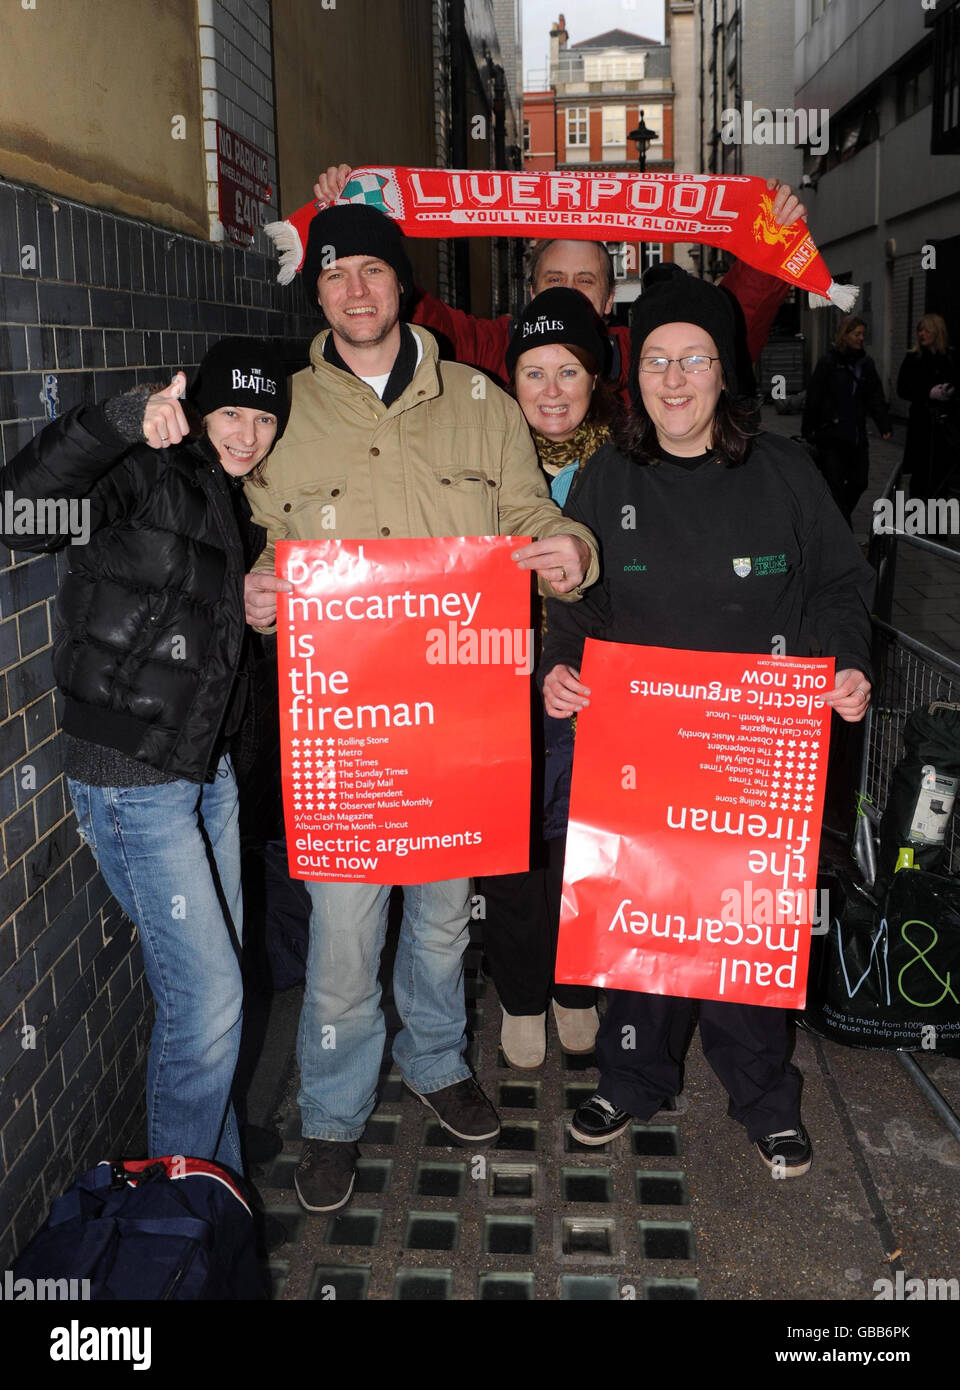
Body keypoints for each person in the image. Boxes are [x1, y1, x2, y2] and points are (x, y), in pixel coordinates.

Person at [242, 204, 600, 1215]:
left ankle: (438, 1059)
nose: (354, 290)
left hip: (458, 729)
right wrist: (257, 592)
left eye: (372, 271)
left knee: (443, 923)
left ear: (404, 285)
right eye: (334, 274)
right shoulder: (286, 409)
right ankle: (332, 1115)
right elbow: (266, 535)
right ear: (315, 291)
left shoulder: (483, 404)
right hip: (348, 735)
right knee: (346, 939)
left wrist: (569, 550)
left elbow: (532, 514)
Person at [540, 264, 875, 1177]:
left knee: (743, 932)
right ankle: (633, 1079)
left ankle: (764, 1098)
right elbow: (573, 602)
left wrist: (845, 665)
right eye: (656, 361)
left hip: (752, 747)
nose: (675, 380)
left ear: (725, 370)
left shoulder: (785, 473)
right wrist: (557, 672)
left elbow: (844, 588)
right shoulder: (608, 476)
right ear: (635, 377)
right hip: (637, 747)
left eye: (694, 360)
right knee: (642, 929)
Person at [0, 338, 290, 1172]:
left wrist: (247, 607)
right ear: (196, 404)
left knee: (214, 993)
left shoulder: (222, 493)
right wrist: (117, 421)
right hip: (135, 781)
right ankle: (180, 1206)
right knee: (209, 1001)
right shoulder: (147, 464)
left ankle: (215, 1170)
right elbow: (20, 516)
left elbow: (180, 608)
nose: (247, 432)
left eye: (265, 417)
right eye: (232, 410)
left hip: (206, 772)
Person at [313, 165, 809, 398]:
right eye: (555, 279)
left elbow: (727, 325)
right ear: (531, 293)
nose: (569, 293)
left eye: (585, 281)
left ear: (611, 296)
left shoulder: (645, 357)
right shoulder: (491, 348)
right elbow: (415, 313)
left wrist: (772, 244)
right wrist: (357, 224)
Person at [478, 287, 619, 1069]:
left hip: (593, 685)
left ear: (594, 379)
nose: (552, 390)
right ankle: (522, 997)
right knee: (508, 848)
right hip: (495, 676)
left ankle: (575, 985)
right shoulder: (483, 454)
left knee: (579, 844)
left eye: (569, 370)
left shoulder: (627, 458)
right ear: (512, 381)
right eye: (534, 372)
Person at [802, 315, 893, 525]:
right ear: (845, 335)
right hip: (831, 436)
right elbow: (814, 398)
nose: (861, 338)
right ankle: (844, 533)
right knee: (834, 484)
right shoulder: (829, 363)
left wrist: (884, 424)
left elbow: (875, 395)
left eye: (863, 334)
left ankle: (836, 522)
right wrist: (808, 432)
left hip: (856, 436)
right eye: (857, 334)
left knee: (859, 482)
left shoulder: (865, 364)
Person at [896, 313, 958, 503]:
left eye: (926, 330)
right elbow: (903, 388)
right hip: (921, 424)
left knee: (941, 479)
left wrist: (950, 391)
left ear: (936, 332)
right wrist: (928, 392)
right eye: (919, 330)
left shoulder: (950, 357)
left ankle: (936, 528)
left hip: (944, 426)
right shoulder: (914, 358)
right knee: (920, 476)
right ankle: (918, 524)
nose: (922, 334)